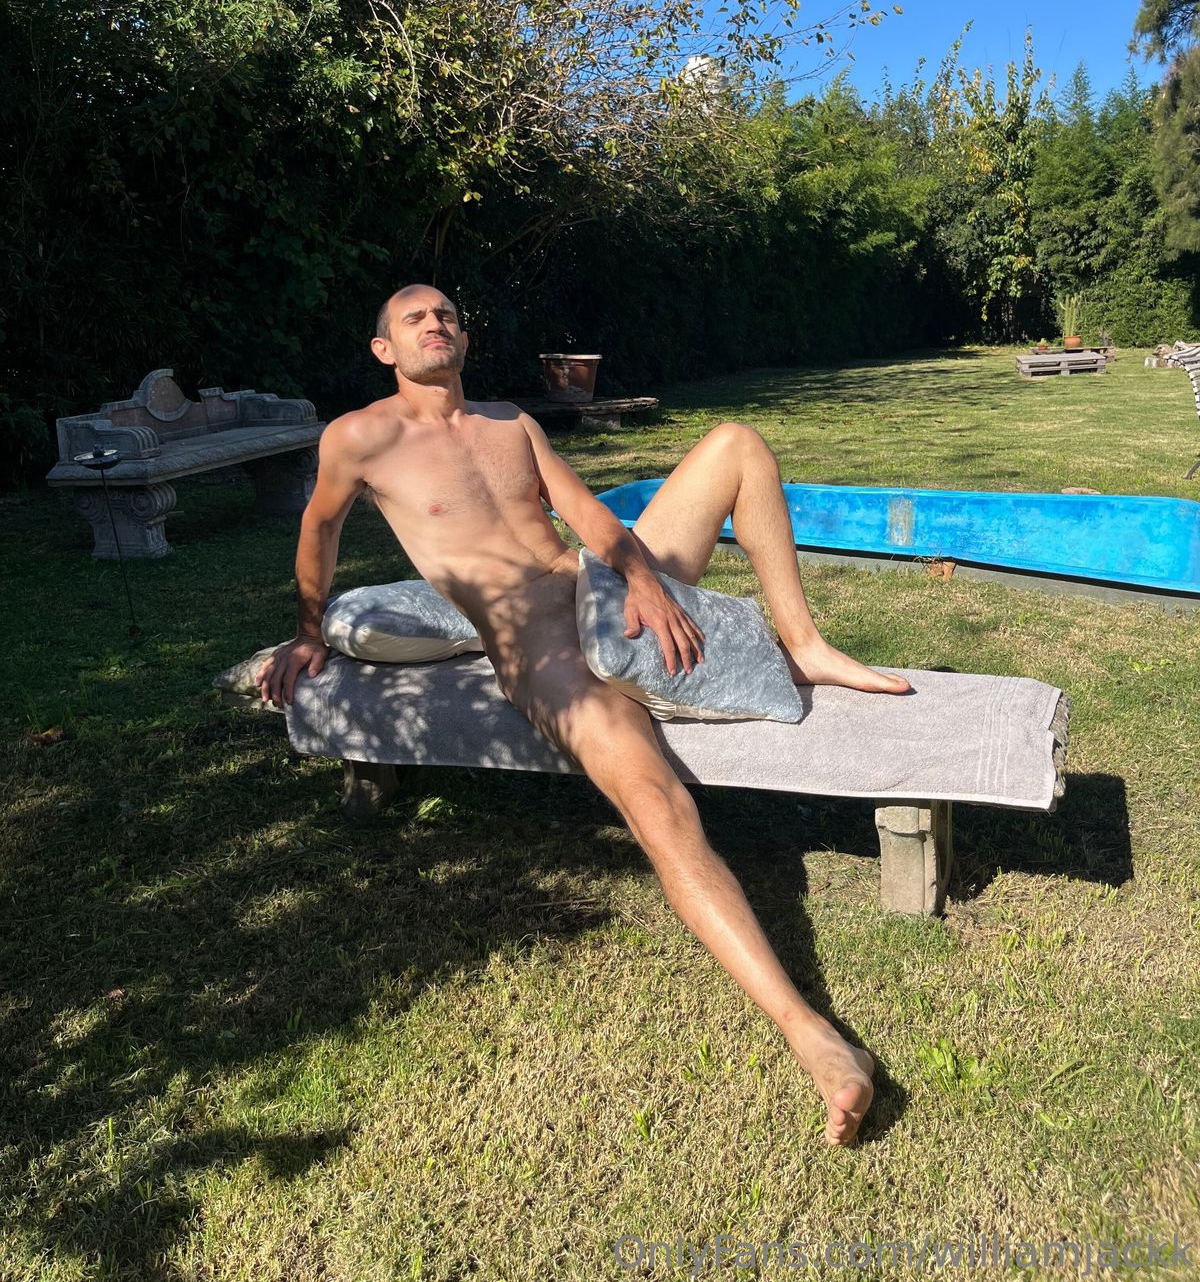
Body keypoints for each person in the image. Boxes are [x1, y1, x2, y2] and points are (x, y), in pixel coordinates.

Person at [258, 283, 911, 1145]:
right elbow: (318, 531)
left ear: (463, 338)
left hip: (598, 586)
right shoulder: (358, 437)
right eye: (413, 319)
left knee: (736, 444)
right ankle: (813, 1035)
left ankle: (807, 642)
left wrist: (643, 579)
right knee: (657, 806)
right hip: (536, 642)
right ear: (385, 350)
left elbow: (589, 516)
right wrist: (309, 633)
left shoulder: (510, 423)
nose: (434, 324)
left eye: (446, 315)